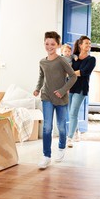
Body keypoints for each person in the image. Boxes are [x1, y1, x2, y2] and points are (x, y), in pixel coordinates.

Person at [33, 31, 77, 169]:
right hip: (46, 96)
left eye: (52, 44)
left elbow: (73, 76)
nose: (49, 46)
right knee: (47, 127)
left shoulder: (62, 60)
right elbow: (41, 77)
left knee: (61, 126)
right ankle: (46, 156)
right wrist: (37, 88)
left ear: (58, 45)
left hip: (61, 98)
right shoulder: (42, 61)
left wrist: (63, 90)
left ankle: (62, 147)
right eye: (47, 43)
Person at [66, 36, 96, 148]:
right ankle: (76, 131)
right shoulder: (73, 58)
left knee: (73, 112)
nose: (88, 45)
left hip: (81, 88)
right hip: (70, 87)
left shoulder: (91, 59)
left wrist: (70, 73)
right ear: (80, 45)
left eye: (89, 43)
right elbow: (66, 68)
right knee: (71, 113)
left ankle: (69, 138)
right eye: (86, 43)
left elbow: (84, 72)